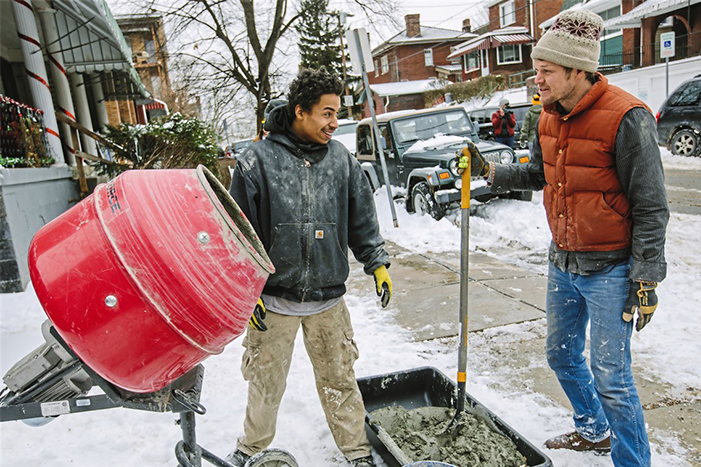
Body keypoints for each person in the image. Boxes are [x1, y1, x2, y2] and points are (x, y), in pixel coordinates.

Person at [460, 9, 668, 467]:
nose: (538, 79)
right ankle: (593, 431)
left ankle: (632, 461)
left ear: (578, 70)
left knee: (612, 376)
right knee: (560, 355)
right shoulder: (547, 117)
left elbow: (652, 206)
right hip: (563, 263)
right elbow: (538, 174)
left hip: (611, 269)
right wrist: (491, 171)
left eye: (546, 71)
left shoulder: (627, 118)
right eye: (537, 69)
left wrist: (646, 277)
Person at [227, 68, 392, 467]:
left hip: (327, 300)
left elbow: (362, 220)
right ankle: (250, 448)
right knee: (265, 385)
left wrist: (377, 263)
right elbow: (235, 234)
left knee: (340, 380)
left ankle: (357, 452)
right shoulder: (256, 162)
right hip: (274, 301)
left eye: (338, 113)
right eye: (327, 113)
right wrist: (245, 292)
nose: (335, 123)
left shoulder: (341, 160)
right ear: (300, 111)